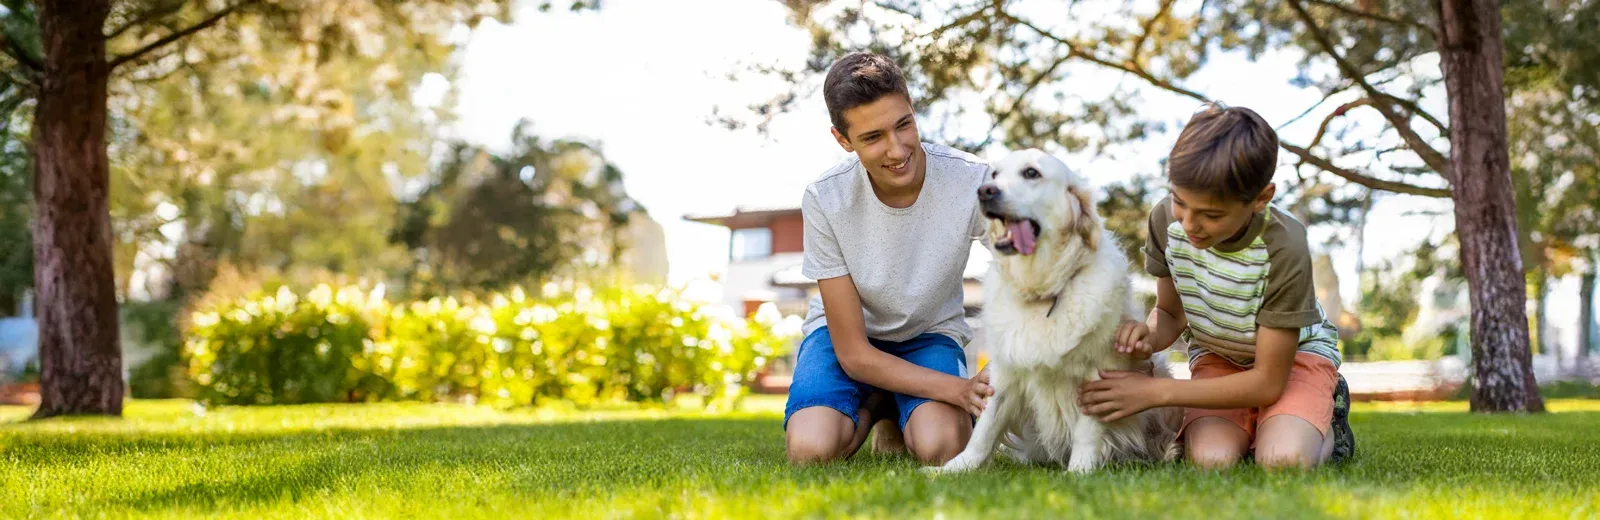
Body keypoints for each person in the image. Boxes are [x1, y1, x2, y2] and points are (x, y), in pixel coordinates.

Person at [1078, 104, 1355, 469]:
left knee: (1283, 460)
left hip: (1291, 363)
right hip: (1219, 356)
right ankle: (1268, 424)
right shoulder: (1165, 220)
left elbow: (1268, 381)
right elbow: (1170, 313)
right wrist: (1147, 336)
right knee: (1211, 461)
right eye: (1180, 201)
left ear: (1261, 198)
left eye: (1212, 214)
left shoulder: (1284, 245)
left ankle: (1323, 415)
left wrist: (1156, 392)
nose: (1190, 224)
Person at [783, 52, 992, 465]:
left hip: (929, 333)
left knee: (943, 447)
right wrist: (960, 390)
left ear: (912, 109)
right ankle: (880, 402)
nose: (897, 150)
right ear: (843, 140)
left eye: (904, 125)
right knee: (812, 451)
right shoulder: (826, 198)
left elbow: (1029, 267)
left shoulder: (972, 179)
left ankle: (899, 408)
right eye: (873, 137)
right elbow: (854, 354)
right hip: (849, 339)